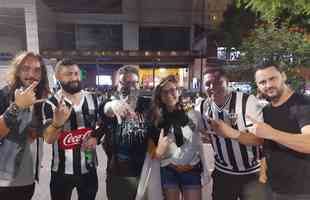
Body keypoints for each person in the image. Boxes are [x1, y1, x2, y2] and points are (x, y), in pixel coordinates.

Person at [196, 66, 266, 200]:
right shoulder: (202, 107)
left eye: (217, 82)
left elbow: (260, 139)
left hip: (251, 174)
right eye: (207, 84)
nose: (212, 87)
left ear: (227, 82)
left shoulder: (247, 101)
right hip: (223, 174)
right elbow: (201, 131)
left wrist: (231, 133)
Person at [249, 62, 310, 200]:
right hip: (273, 189)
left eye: (272, 79)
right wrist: (262, 177)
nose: (268, 85)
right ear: (258, 86)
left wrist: (271, 133)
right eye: (262, 82)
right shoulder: (266, 111)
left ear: (283, 76)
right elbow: (267, 148)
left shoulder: (304, 104)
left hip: (301, 192)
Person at [42, 59, 100, 200]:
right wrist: (57, 123)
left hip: (89, 168)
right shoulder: (51, 103)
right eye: (68, 74)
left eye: (76, 73)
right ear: (58, 77)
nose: (74, 78)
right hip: (61, 171)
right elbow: (48, 139)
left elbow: (100, 126)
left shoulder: (93, 98)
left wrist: (96, 136)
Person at [148, 75, 209, 200]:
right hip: (169, 170)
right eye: (165, 92)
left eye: (173, 90)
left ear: (179, 91)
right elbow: (151, 150)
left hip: (191, 169)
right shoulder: (156, 119)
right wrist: (158, 152)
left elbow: (204, 134)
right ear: (160, 96)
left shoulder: (192, 114)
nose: (169, 94)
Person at [94, 65, 150, 200]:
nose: (130, 87)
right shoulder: (110, 103)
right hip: (118, 174)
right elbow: (105, 110)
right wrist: (113, 106)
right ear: (117, 85)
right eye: (125, 83)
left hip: (144, 173)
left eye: (134, 83)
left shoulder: (147, 105)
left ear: (139, 84)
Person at [0, 51, 50, 200]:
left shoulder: (40, 99)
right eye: (25, 68)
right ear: (17, 71)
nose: (31, 74)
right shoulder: (3, 95)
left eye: (37, 70)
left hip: (28, 178)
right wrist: (16, 107)